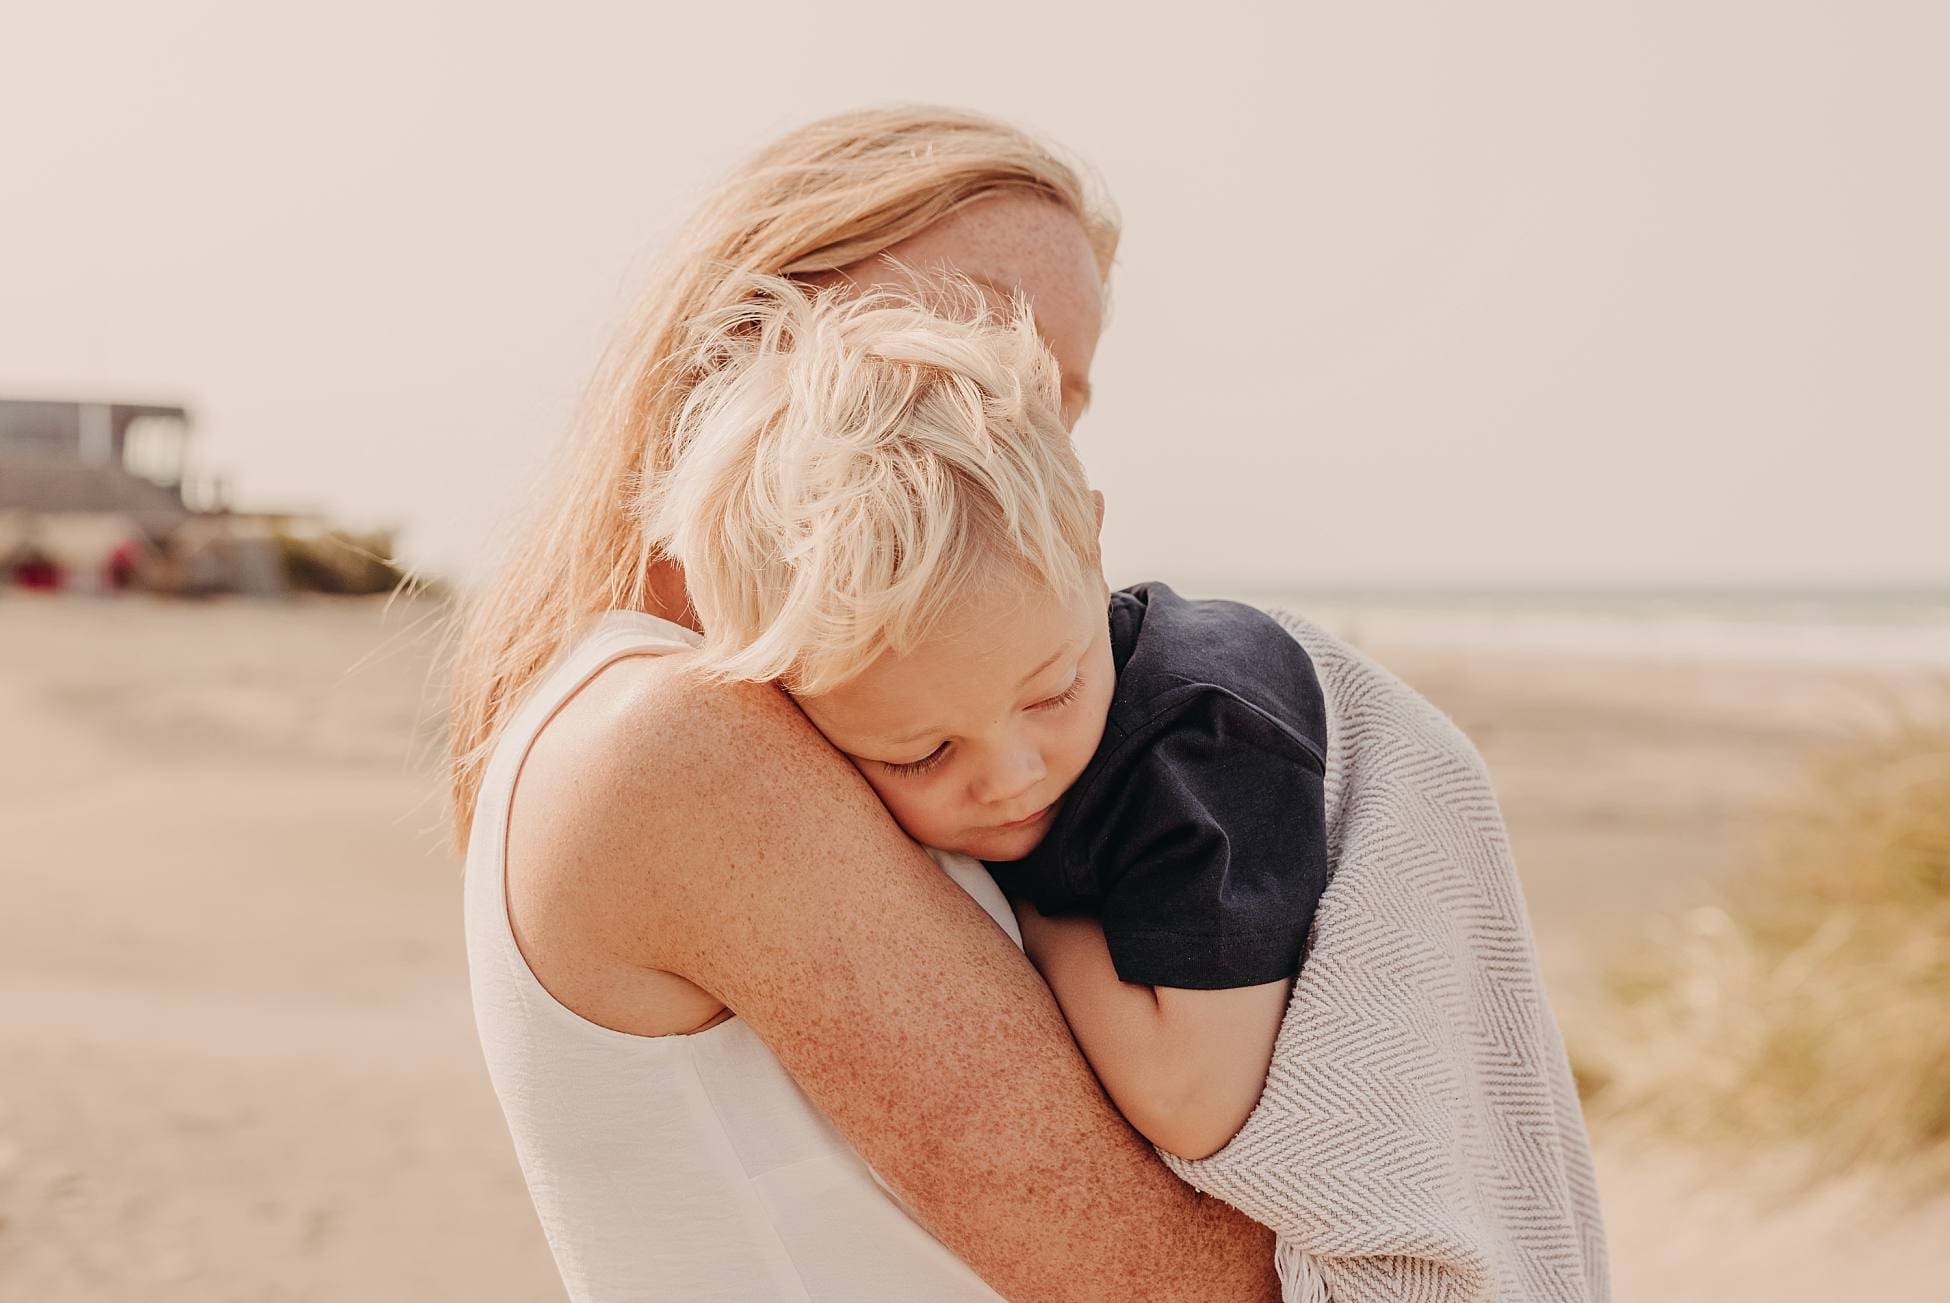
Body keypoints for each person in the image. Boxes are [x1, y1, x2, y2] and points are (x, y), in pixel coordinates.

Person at [450, 106, 1283, 1301]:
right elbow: (1178, 1282)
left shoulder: (827, 737)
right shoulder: (678, 747)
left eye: (1054, 401)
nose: (1002, 437)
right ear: (750, 334)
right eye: (958, 346)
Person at [648, 279, 1333, 1165]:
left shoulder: (1204, 732)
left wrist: (1035, 929)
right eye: (921, 752)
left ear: (1091, 547)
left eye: (1052, 693)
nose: (1011, 776)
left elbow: (1195, 1097)